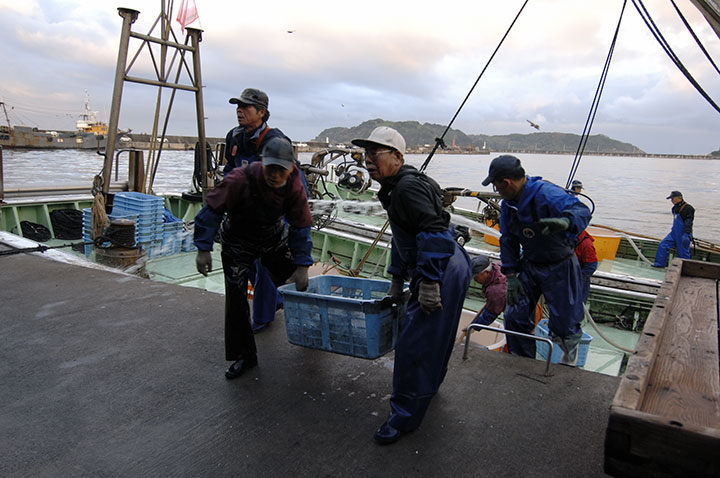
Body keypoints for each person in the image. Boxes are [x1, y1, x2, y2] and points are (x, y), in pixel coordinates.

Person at [351, 126, 472, 445]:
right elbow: (403, 236)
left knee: (413, 345)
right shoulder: (396, 186)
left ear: (397, 156)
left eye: (374, 154)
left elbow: (433, 231)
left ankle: (404, 417)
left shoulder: (406, 188)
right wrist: (396, 277)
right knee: (436, 337)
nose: (367, 160)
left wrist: (429, 281)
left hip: (440, 265)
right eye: (365, 154)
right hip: (448, 261)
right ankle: (427, 390)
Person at [194, 137, 313, 379]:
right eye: (271, 168)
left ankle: (313, 330)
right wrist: (203, 248)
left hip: (272, 238)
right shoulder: (239, 179)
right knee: (236, 297)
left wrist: (302, 265)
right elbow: (211, 211)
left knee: (294, 283)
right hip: (238, 241)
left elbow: (300, 226)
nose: (275, 175)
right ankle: (244, 355)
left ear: (292, 168)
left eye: (281, 170)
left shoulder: (294, 185)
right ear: (261, 162)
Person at [483, 155, 591, 365]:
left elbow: (582, 211)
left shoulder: (547, 194)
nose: (497, 191)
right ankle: (522, 362)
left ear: (507, 183)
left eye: (496, 186)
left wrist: (565, 222)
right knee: (515, 315)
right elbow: (508, 239)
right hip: (530, 264)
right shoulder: (509, 205)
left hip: (560, 265)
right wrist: (511, 275)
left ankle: (569, 356)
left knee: (565, 321)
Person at [223, 88, 291, 332]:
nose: (239, 111)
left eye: (246, 107)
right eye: (238, 106)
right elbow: (230, 168)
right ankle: (276, 299)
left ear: (262, 112)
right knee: (247, 261)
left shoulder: (276, 142)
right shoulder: (234, 137)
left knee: (264, 264)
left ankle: (263, 317)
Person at [652, 190, 694, 268]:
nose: (672, 200)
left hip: (683, 234)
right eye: (671, 199)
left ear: (679, 198)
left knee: (683, 253)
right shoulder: (674, 208)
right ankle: (659, 264)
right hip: (673, 233)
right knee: (663, 245)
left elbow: (689, 222)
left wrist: (686, 234)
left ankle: (685, 269)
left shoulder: (688, 208)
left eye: (673, 198)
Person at [465, 254, 507, 328]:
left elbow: (490, 315)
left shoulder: (495, 290)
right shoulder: (497, 267)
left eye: (476, 277)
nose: (475, 280)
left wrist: (473, 327)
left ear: (487, 272)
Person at [574, 229, 598, 303]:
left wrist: (574, 279)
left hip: (577, 284)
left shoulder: (586, 244)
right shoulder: (562, 238)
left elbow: (591, 267)